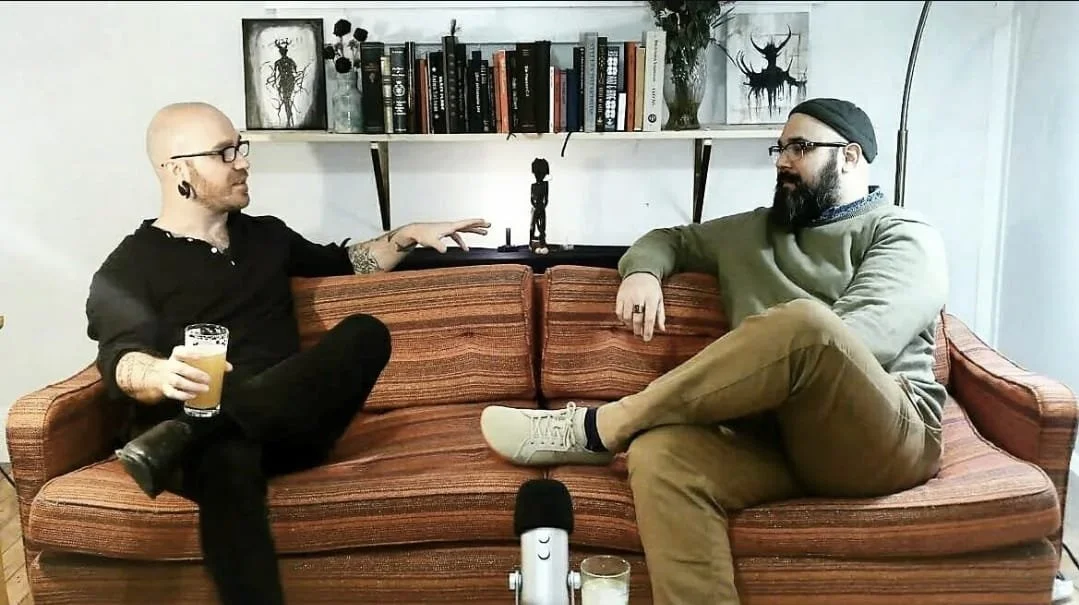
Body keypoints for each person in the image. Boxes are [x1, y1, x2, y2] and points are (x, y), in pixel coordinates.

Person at [479, 98, 948, 604]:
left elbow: (862, 339)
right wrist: (642, 272)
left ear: (850, 157)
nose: (782, 161)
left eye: (799, 148)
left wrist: (782, 347)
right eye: (779, 149)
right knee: (660, 455)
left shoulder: (903, 234)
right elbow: (669, 239)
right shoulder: (749, 232)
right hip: (777, 441)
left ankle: (598, 428)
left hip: (882, 437)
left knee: (809, 323)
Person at [85, 101, 490, 605]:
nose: (242, 162)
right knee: (227, 457)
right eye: (224, 152)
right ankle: (204, 431)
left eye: (240, 148)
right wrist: (161, 373)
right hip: (210, 446)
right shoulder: (130, 266)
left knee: (365, 333)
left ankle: (191, 432)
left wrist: (406, 235)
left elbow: (348, 262)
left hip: (287, 427)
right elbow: (120, 357)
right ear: (178, 169)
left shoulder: (267, 236)